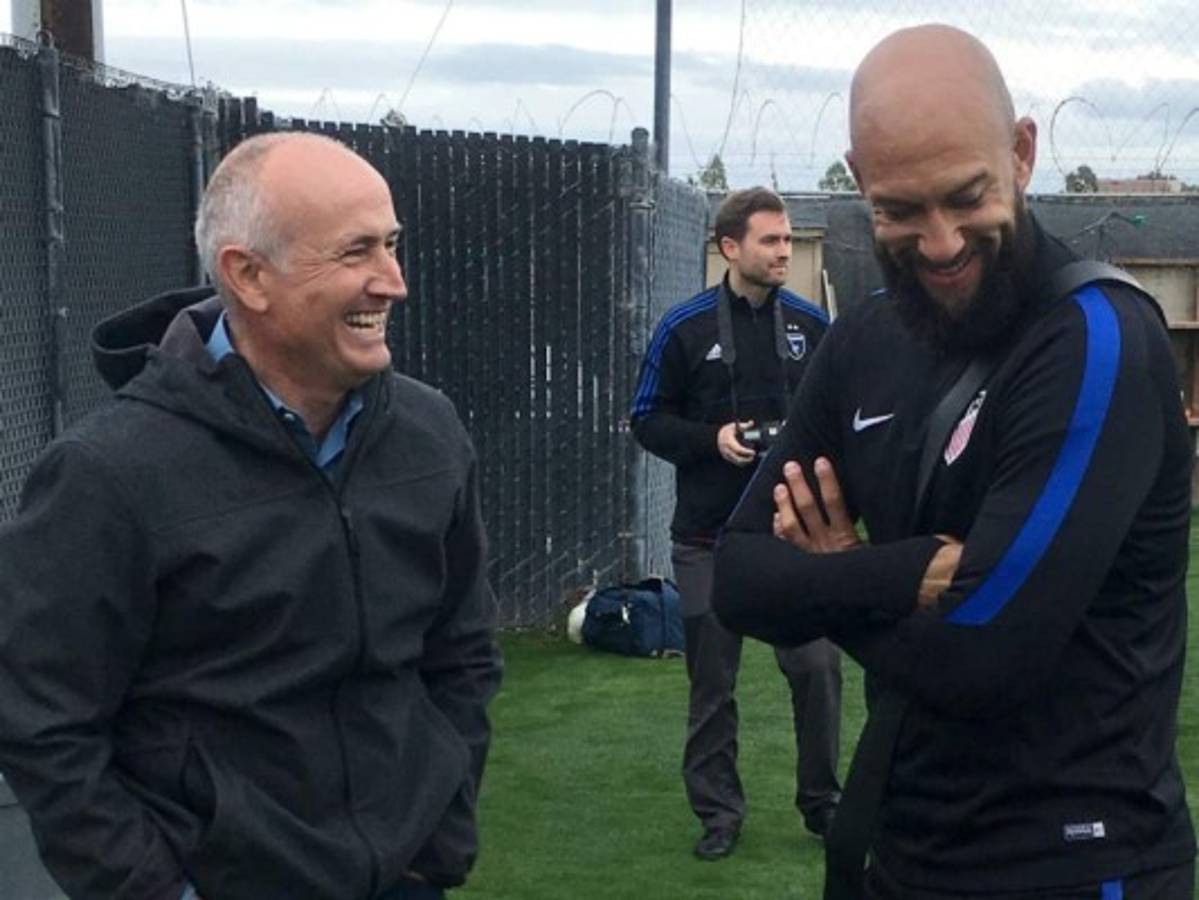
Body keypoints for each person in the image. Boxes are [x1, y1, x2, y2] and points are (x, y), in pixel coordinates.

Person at [714, 25, 1196, 900]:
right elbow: (740, 577)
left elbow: (985, 662)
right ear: (859, 183)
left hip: (1074, 864)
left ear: (1019, 154)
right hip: (903, 846)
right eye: (900, 210)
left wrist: (832, 577)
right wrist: (899, 572)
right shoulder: (864, 335)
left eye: (965, 197)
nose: (938, 244)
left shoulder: (1094, 340)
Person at [0, 132, 503, 900]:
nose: (392, 281)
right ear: (248, 275)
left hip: (404, 876)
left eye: (392, 245)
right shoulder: (109, 474)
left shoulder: (429, 435)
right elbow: (44, 723)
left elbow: (461, 653)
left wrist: (436, 834)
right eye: (356, 252)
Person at [630, 187, 842, 861]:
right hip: (706, 539)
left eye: (786, 240)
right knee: (712, 687)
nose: (783, 251)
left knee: (816, 669)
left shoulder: (811, 325)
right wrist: (711, 439)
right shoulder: (682, 329)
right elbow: (646, 419)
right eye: (770, 241)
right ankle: (718, 815)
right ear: (730, 248)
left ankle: (823, 805)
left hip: (790, 539)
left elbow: (845, 413)